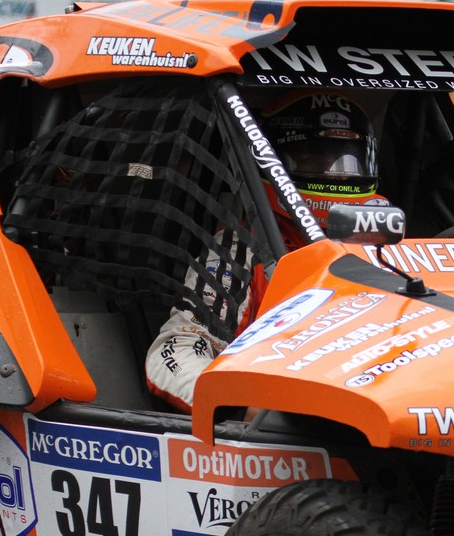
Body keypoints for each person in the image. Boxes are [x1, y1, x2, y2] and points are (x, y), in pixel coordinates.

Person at [145, 91, 389, 410]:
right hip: (296, 412)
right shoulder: (242, 249)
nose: (339, 173)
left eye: (348, 160)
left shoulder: (392, 248)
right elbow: (176, 348)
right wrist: (238, 404)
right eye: (315, 159)